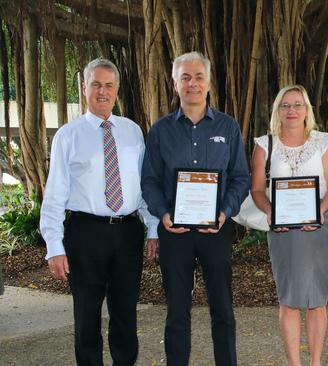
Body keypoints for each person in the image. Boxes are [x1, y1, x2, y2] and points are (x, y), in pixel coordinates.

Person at [39, 58, 159, 366]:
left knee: (125, 313)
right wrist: (54, 246)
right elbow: (54, 195)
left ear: (117, 89)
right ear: (84, 88)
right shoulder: (68, 136)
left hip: (127, 231)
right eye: (96, 84)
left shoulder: (132, 131)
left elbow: (144, 186)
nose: (102, 92)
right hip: (85, 233)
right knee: (87, 315)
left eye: (108, 85)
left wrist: (153, 228)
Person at [140, 51, 249, 366]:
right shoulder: (160, 130)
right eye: (185, 77)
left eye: (198, 77)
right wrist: (162, 214)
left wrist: (225, 212)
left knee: (223, 310)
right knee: (176, 311)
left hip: (216, 230)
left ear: (209, 82)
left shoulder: (228, 127)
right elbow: (149, 181)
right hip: (175, 232)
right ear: (175, 83)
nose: (192, 83)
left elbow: (240, 178)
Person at [250, 84, 328, 366]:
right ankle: (295, 363)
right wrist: (270, 212)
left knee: (317, 299)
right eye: (286, 105)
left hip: (318, 228)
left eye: (298, 105)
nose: (292, 110)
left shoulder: (324, 142)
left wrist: (318, 212)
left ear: (307, 110)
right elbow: (257, 190)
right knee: (288, 298)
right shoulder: (265, 145)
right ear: (278, 110)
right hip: (282, 231)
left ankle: (315, 362)